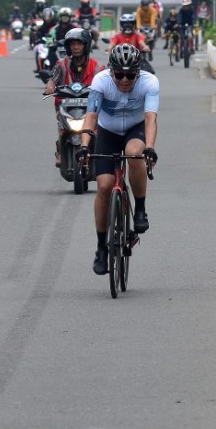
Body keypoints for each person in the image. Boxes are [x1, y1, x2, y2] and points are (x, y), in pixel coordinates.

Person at [77, 44, 159, 274]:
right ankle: (101, 248)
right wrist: (84, 147)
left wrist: (150, 148)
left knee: (135, 154)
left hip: (136, 128)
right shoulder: (100, 81)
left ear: (138, 73)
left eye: (130, 75)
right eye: (119, 74)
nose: (124, 80)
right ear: (110, 71)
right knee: (103, 186)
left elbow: (151, 118)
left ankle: (140, 209)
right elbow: (91, 116)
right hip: (107, 132)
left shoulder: (149, 82)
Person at [45, 27, 104, 164]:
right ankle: (60, 148)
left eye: (79, 44)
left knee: (99, 126)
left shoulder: (97, 67)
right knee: (61, 122)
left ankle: (100, 149)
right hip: (67, 105)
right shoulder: (62, 64)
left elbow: (105, 82)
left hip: (89, 105)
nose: (76, 47)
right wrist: (50, 86)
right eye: (72, 44)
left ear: (86, 45)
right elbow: (53, 78)